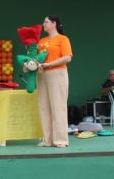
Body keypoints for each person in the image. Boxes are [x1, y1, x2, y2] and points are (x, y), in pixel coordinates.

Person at [32, 15, 73, 148]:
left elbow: (67, 58)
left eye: (46, 22)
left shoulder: (63, 39)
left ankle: (60, 140)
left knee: (58, 106)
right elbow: (37, 58)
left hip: (57, 73)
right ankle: (47, 140)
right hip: (42, 74)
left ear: (54, 24)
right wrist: (31, 63)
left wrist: (49, 64)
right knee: (44, 107)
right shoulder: (42, 41)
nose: (44, 24)